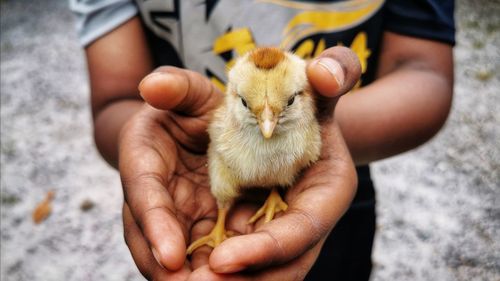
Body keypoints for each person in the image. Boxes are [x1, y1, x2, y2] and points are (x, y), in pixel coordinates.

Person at [70, 0, 455, 280]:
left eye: (284, 105)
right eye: (254, 110)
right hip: (196, 194)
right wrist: (155, 132)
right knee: (227, 184)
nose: (267, 124)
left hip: (337, 204)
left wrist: (319, 128)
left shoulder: (302, 125)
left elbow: (427, 73)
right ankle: (222, 218)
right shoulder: (226, 124)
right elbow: (114, 104)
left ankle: (273, 193)